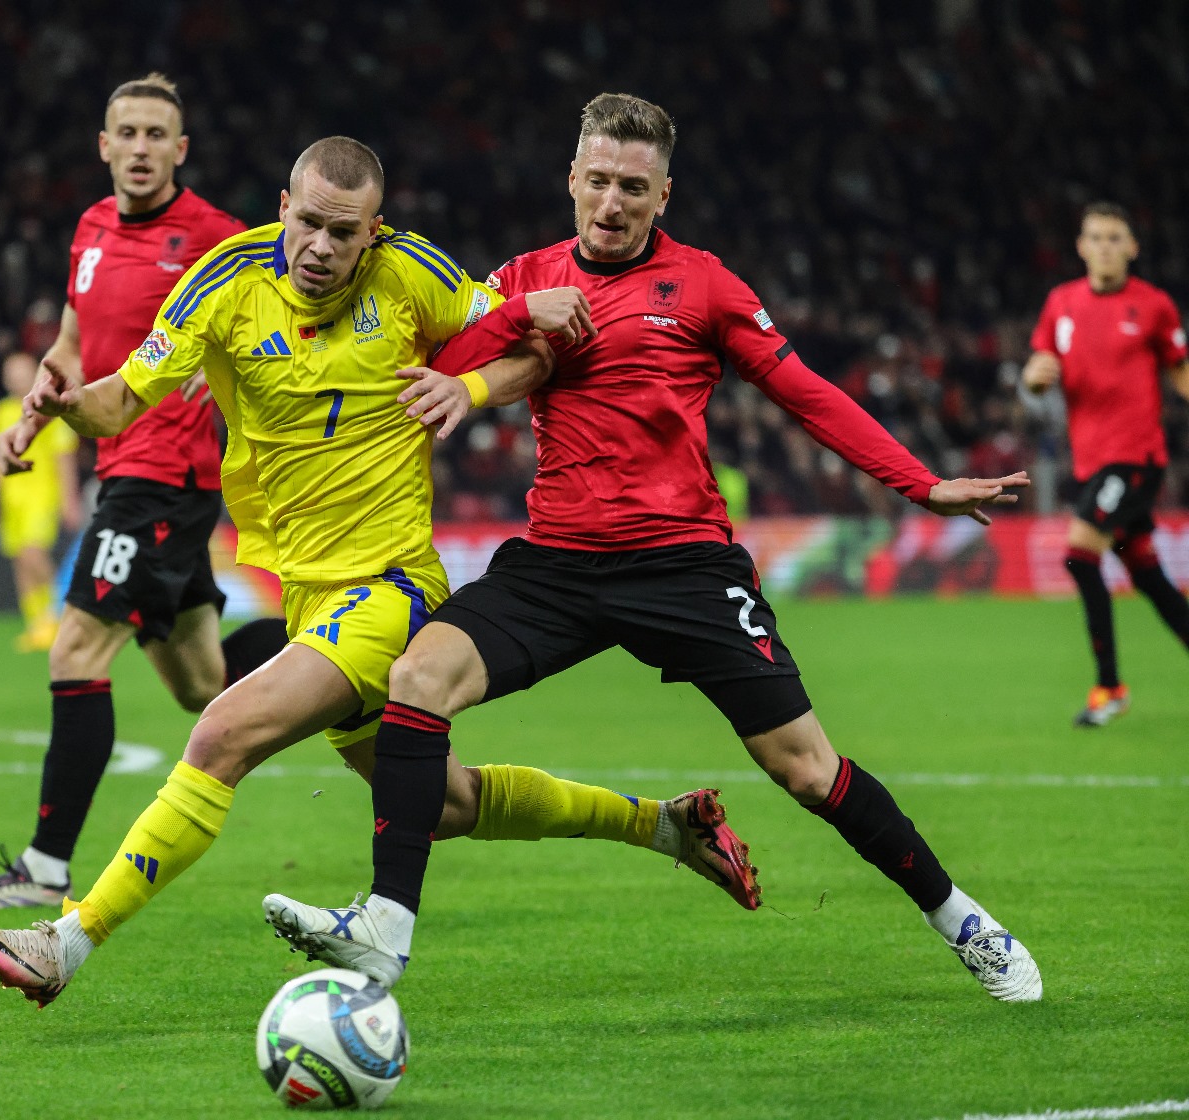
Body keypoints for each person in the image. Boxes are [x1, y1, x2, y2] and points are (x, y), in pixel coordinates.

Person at [266, 93, 1045, 1003]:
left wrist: (922, 483)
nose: (612, 203)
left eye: (633, 187)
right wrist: (525, 314)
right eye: (597, 181)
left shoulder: (708, 287)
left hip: (684, 566)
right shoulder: (524, 276)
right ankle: (386, 932)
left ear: (663, 194)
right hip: (556, 563)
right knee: (416, 679)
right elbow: (459, 354)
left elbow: (807, 394)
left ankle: (963, 920)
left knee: (804, 768)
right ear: (571, 180)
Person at [0, 135, 760, 1007]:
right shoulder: (225, 281)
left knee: (221, 733)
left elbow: (533, 348)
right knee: (448, 805)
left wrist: (469, 389)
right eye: (307, 223)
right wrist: (68, 405)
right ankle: (665, 827)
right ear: (282, 209)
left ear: (373, 233)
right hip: (309, 595)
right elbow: (121, 397)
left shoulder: (415, 273)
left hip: (393, 588)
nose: (320, 247)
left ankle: (67, 940)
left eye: (344, 233)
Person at [0, 75, 293, 910]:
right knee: (201, 684)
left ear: (180, 149)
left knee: (75, 651)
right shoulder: (91, 229)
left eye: (155, 134)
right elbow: (71, 339)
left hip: (162, 475)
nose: (139, 147)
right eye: (125, 133)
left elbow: (279, 326)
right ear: (104, 146)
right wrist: (32, 418)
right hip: (117, 462)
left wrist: (233, 378)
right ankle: (345, 647)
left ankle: (45, 870)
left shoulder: (219, 237)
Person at [1023, 201, 1189, 727]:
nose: (1105, 247)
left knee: (1080, 553)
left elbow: (1181, 372)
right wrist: (1034, 378)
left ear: (1132, 248)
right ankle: (1112, 686)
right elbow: (1035, 372)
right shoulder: (1061, 303)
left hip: (1136, 459)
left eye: (1115, 238)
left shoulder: (1154, 306)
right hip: (1091, 463)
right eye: (1095, 237)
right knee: (1150, 577)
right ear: (1080, 246)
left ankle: (1109, 687)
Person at [0, 352, 83, 653]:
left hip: (41, 495)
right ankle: (37, 625)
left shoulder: (49, 407)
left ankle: (58, 616)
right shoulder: (1, 411)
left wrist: (69, 500)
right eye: (10, 372)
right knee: (20, 560)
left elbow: (64, 457)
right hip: (13, 497)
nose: (15, 378)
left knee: (34, 555)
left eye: (21, 371)